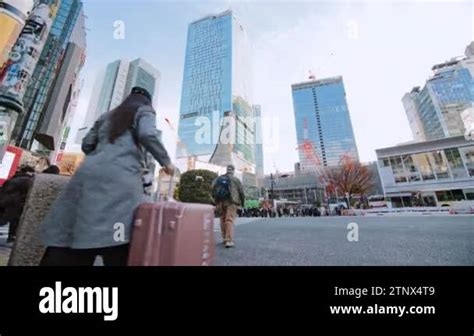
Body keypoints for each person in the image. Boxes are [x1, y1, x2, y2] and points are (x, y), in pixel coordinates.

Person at [39, 87, 175, 266]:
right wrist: (166, 162)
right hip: (122, 179)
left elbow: (87, 144)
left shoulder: (107, 115)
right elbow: (147, 134)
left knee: (75, 231)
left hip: (87, 174)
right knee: (119, 235)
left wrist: (103, 156)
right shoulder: (145, 110)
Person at [211, 164, 245, 248]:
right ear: (233, 170)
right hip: (231, 202)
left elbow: (212, 188)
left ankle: (224, 238)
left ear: (227, 169)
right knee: (229, 220)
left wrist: (215, 200)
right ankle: (228, 240)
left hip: (221, 201)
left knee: (222, 219)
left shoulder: (218, 179)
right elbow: (241, 192)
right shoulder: (235, 179)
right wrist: (243, 202)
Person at [0, 165, 35, 243]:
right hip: (14, 203)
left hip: (4, 200)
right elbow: (27, 193)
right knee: (12, 220)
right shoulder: (27, 180)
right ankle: (11, 236)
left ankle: (11, 236)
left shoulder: (15, 177)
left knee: (6, 219)